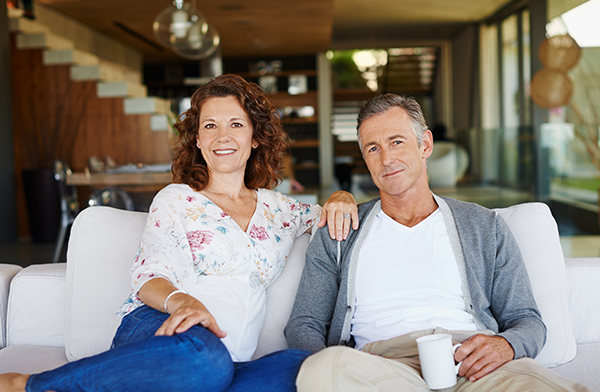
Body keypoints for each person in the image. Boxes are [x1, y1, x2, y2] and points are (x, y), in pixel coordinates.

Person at [0, 74, 359, 392]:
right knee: (204, 359)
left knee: (302, 368)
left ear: (255, 138)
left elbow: (328, 216)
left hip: (228, 363)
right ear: (198, 141)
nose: (223, 136)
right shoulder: (177, 199)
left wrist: (342, 196)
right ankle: (30, 386)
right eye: (210, 126)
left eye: (236, 124)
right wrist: (184, 302)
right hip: (164, 332)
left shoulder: (279, 209)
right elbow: (148, 276)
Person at [285, 93, 592, 392]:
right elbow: (304, 325)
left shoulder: (484, 226)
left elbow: (526, 319)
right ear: (365, 159)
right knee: (320, 370)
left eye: (397, 142)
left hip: (470, 361)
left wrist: (507, 344)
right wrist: (345, 361)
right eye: (373, 148)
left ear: (425, 144)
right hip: (382, 368)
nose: (387, 159)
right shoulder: (340, 230)